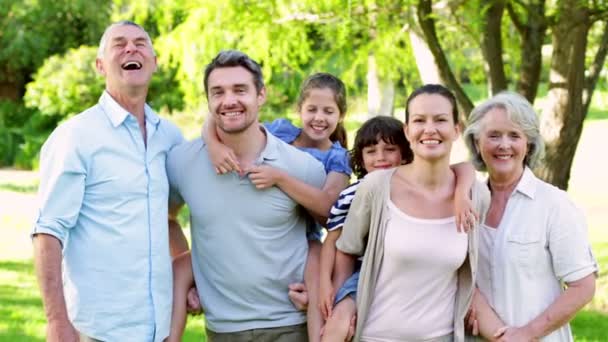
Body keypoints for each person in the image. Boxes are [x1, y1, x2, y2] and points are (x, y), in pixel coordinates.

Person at [168, 72, 352, 342]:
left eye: (328, 111)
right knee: (181, 265)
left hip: (307, 240)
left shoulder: (336, 156)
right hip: (236, 291)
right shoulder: (282, 133)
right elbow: (226, 119)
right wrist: (212, 144)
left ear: (341, 115)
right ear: (299, 109)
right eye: (312, 109)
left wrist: (280, 178)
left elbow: (330, 208)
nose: (319, 117)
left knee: (315, 268)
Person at [31, 21, 184, 341]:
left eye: (141, 43)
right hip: (98, 329)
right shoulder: (76, 136)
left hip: (159, 327)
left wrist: (186, 283)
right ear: (100, 66)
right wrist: (57, 322)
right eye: (119, 43)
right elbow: (47, 232)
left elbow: (167, 217)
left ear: (154, 62)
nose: (131, 48)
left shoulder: (169, 137)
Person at [336, 84, 491, 341]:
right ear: (407, 131)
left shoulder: (476, 196)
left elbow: (475, 266)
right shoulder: (377, 187)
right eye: (419, 120)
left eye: (440, 120)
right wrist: (343, 304)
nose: (429, 129)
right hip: (376, 336)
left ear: (456, 129)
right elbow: (346, 250)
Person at [463, 92, 597, 341]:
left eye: (514, 135)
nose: (504, 145)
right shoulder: (468, 203)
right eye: (493, 136)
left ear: (528, 144)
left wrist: (526, 334)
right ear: (477, 143)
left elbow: (583, 287)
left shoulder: (554, 204)